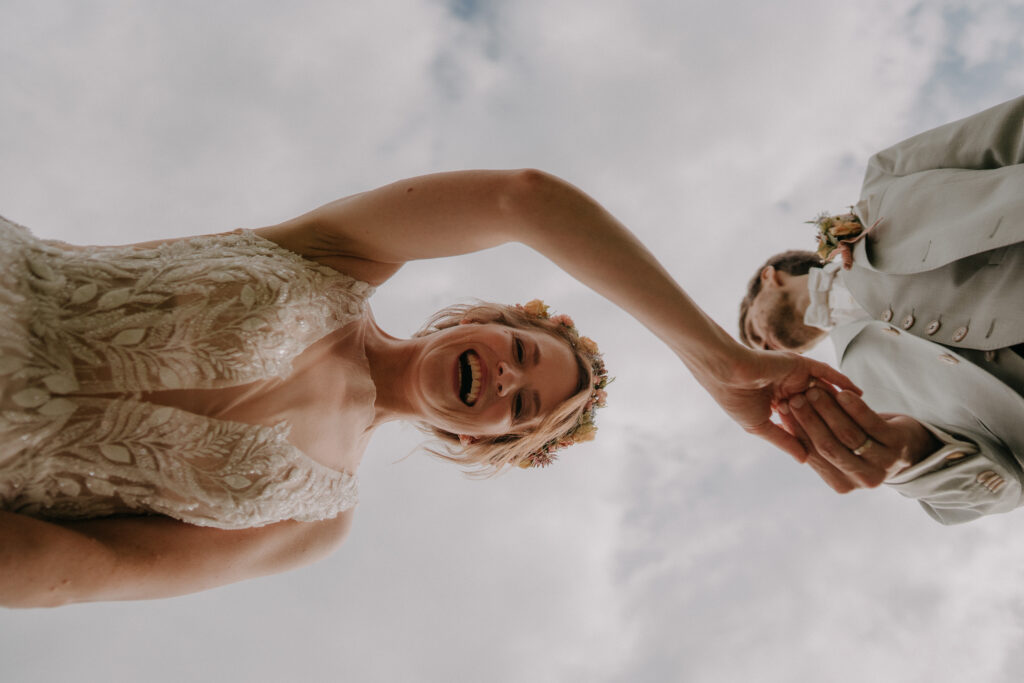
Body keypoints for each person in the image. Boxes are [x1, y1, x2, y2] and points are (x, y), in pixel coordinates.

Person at [1, 169, 850, 606]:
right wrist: (716, 357)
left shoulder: (312, 522)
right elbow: (520, 198)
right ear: (478, 321)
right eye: (521, 351)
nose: (508, 376)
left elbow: (93, 568)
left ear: (485, 441)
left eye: (523, 405)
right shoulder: (335, 256)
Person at [738, 95, 1024, 525]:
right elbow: (1006, 485)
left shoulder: (886, 179)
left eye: (752, 332)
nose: (761, 349)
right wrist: (911, 454)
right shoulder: (864, 397)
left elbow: (1010, 133)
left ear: (769, 278)